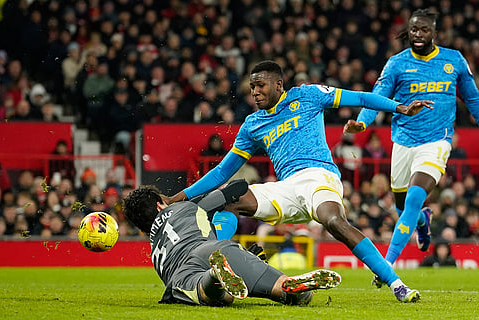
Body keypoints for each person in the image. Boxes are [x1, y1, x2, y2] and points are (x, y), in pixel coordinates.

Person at [164, 60, 433, 302]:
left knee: (334, 222)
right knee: (228, 201)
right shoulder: (253, 124)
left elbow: (361, 97)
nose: (254, 92)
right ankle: (218, 263)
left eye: (260, 85)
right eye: (251, 87)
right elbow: (223, 171)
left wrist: (400, 107)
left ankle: (397, 284)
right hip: (285, 189)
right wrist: (180, 197)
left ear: (279, 84)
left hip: (319, 177)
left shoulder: (307, 95)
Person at [343, 9, 479, 281]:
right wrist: (362, 123)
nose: (418, 34)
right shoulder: (396, 63)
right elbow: (377, 96)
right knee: (402, 207)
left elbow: (473, 99)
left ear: (435, 33)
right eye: (414, 29)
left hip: (437, 142)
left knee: (416, 197)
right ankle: (422, 222)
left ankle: (387, 266)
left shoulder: (453, 61)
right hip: (403, 143)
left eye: (424, 30)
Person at [123, 181, 342, 306]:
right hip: (214, 248)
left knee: (208, 293)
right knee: (289, 293)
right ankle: (290, 287)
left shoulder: (154, 250)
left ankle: (214, 277)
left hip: (181, 270)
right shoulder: (185, 207)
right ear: (161, 204)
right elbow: (236, 188)